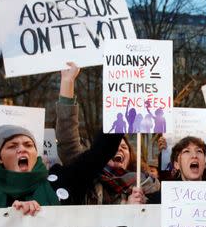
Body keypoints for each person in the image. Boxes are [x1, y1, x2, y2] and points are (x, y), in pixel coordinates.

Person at [54, 62, 158, 205]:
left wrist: (139, 210)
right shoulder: (83, 175)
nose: (119, 149)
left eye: (124, 147)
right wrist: (67, 81)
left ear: (131, 157)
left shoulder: (149, 187)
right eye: (116, 146)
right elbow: (68, 139)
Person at [0, 123, 123, 213]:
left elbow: (100, 152)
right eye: (12, 146)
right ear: (0, 157)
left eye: (28, 145)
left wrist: (119, 106)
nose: (22, 149)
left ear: (35, 152)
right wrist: (12, 216)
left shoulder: (61, 179)